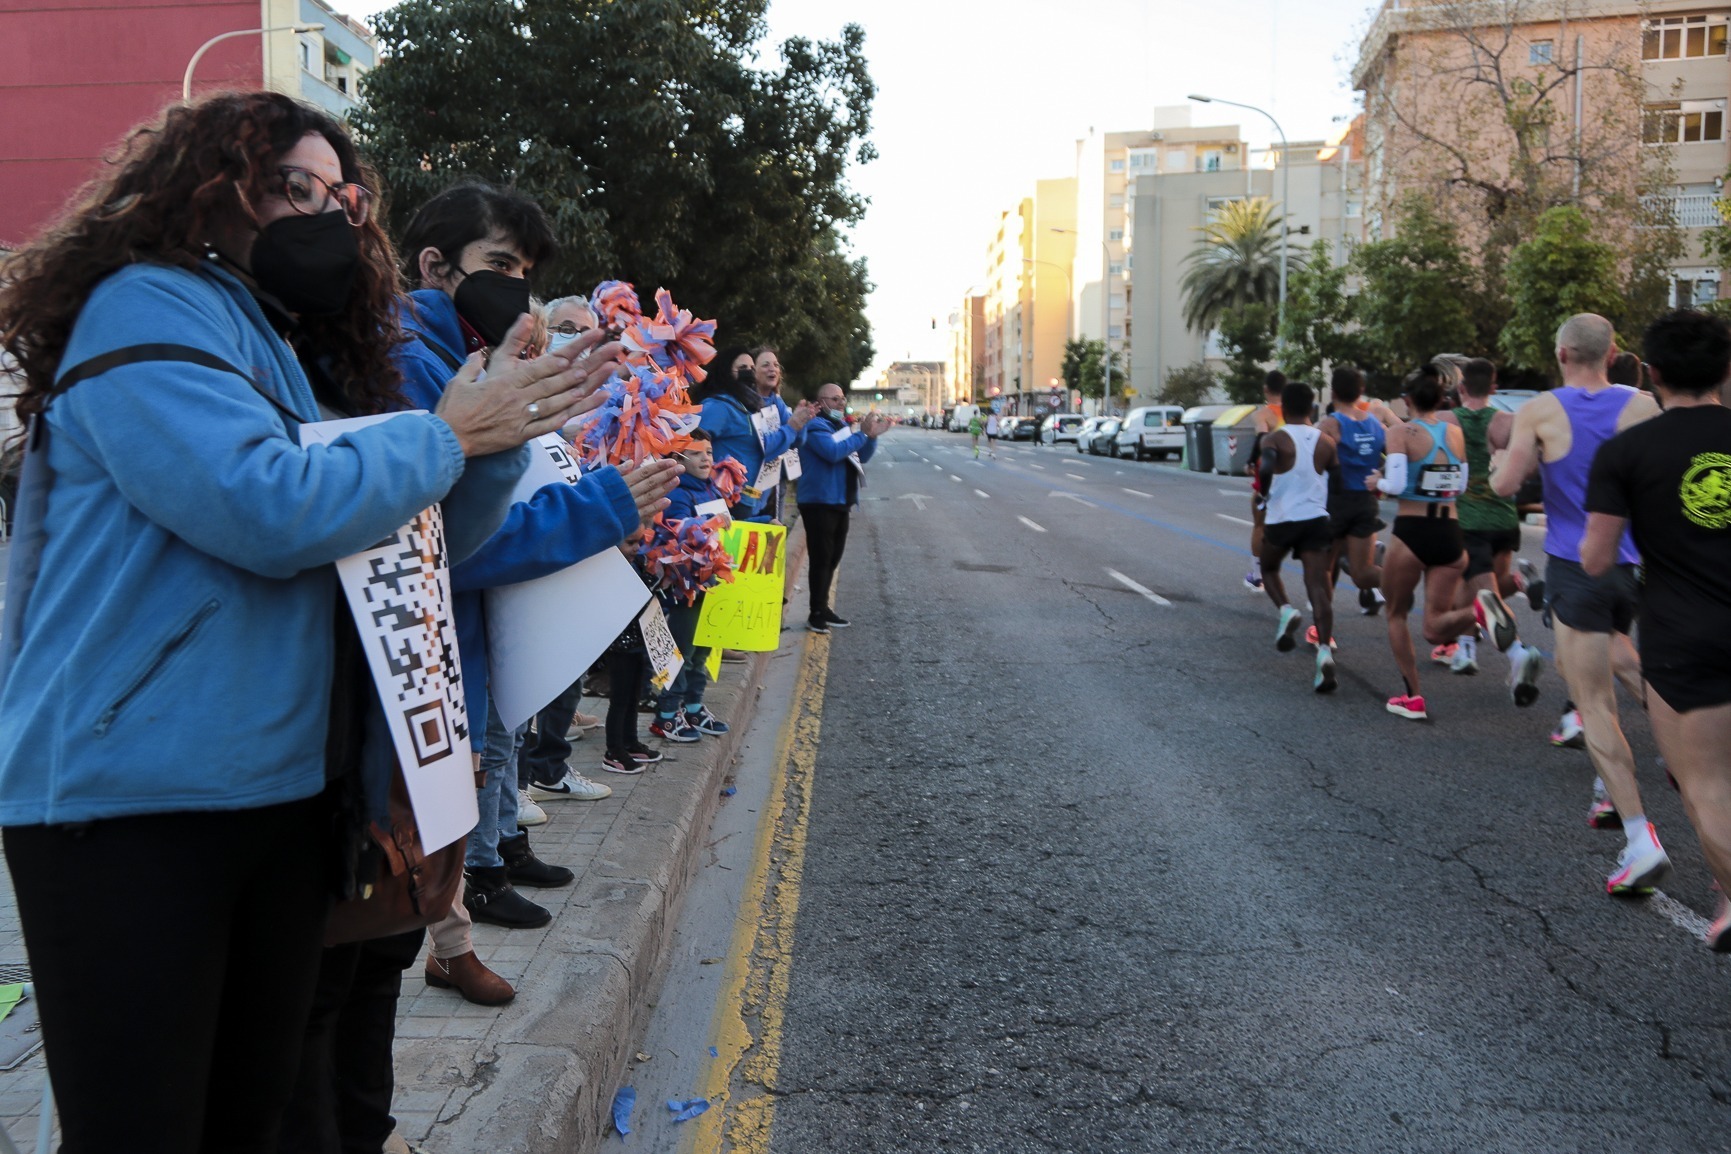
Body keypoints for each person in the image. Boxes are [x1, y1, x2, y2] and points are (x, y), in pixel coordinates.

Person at [0, 92, 590, 1154]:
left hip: (273, 797)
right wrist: (446, 434)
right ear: (206, 190)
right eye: (290, 187)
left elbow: (396, 540)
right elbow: (266, 503)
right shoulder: (148, 305)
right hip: (129, 804)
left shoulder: (286, 341)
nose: (324, 213)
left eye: (339, 195)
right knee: (142, 1128)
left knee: (247, 1122)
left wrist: (496, 429)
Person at [394, 181, 680, 931]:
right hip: (429, 658)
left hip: (477, 647)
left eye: (525, 273)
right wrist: (605, 505)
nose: (516, 289)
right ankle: (472, 899)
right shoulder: (412, 364)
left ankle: (478, 888)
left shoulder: (473, 356)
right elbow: (452, 542)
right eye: (499, 264)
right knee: (396, 909)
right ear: (434, 265)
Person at [1494, 313, 1668, 894]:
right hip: (1636, 568)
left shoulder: (1540, 410)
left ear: (1562, 352)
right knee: (1612, 659)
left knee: (1591, 701)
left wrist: (1505, 462)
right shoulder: (1644, 405)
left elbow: (1507, 484)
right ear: (1613, 352)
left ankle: (1640, 838)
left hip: (1577, 565)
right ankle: (1640, 773)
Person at [1585, 309, 1731, 941]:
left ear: (1652, 373)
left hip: (1684, 636)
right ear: (1725, 370)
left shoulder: (1625, 453)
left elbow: (1595, 558)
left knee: (1706, 787)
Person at [1368, 364, 1517, 720]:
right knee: (1435, 629)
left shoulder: (1401, 432)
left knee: (1396, 614)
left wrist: (1378, 483)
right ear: (1441, 398)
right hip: (1451, 535)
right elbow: (1461, 485)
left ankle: (1413, 697)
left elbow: (1398, 482)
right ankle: (1478, 611)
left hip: (1413, 533)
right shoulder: (1455, 433)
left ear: (1406, 401)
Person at [518, 295, 616, 806]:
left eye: (584, 329)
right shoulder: (522, 385)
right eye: (564, 327)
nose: (573, 336)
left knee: (571, 664)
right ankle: (513, 789)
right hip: (532, 545)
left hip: (581, 547)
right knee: (523, 677)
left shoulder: (605, 395)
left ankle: (550, 767)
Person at [1436, 358, 1546, 702]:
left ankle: (1516, 652)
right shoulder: (1509, 422)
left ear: (1461, 388)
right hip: (1504, 518)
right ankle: (1466, 650)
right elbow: (1529, 468)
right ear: (1494, 389)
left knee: (1483, 598)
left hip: (1470, 520)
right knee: (1484, 592)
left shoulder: (1446, 420)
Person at [647, 429, 731, 742]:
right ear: (678, 458)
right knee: (679, 650)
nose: (706, 458)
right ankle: (667, 715)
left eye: (709, 452)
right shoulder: (678, 492)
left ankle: (694, 706)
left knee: (702, 648)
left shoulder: (712, 489)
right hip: (684, 590)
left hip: (708, 585)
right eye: (697, 453)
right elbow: (676, 530)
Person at [1258, 383, 1340, 693]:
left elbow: (1266, 465)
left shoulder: (1275, 438)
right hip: (1316, 520)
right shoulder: (1326, 442)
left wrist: (1264, 494)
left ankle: (1286, 610)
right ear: (1311, 408)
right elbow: (1338, 482)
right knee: (1317, 585)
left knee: (1267, 568)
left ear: (1284, 408)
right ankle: (1324, 652)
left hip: (1283, 519)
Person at [799, 383, 890, 632]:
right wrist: (861, 434)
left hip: (840, 500)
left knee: (832, 558)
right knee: (821, 558)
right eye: (835, 399)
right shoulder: (816, 425)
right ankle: (815, 613)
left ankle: (823, 607)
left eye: (842, 398)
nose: (841, 403)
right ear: (821, 402)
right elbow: (832, 452)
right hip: (819, 501)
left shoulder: (840, 426)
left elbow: (861, 455)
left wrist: (870, 436)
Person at [697, 346, 812, 519]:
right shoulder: (719, 406)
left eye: (751, 369)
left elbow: (766, 446)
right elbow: (691, 445)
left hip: (749, 500)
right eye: (742, 369)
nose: (749, 373)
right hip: (724, 499)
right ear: (726, 372)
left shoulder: (749, 407)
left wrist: (796, 426)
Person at [1317, 365, 1389, 617]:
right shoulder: (1375, 425)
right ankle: (1400, 580)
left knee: (1324, 569)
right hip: (1366, 502)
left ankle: (1321, 629)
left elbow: (1310, 462)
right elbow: (1400, 454)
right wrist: (1381, 474)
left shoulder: (1330, 424)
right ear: (1361, 391)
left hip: (1336, 502)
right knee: (1362, 574)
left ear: (1333, 391)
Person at [1244, 369, 1288, 591]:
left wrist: (1251, 461)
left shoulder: (1263, 414)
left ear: (1265, 389)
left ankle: (1257, 573)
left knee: (1260, 523)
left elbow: (1262, 436)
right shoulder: (1295, 411)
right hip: (1293, 472)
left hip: (1269, 472)